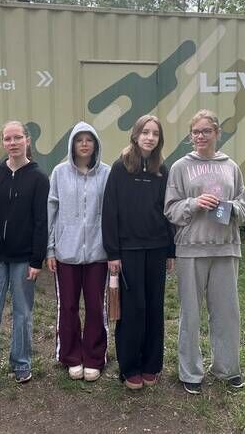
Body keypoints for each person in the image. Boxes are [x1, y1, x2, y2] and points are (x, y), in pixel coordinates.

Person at [164, 109, 245, 395]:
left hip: (225, 249)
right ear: (191, 136)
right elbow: (170, 209)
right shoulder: (180, 167)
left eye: (206, 131)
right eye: (196, 132)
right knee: (190, 314)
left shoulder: (231, 167)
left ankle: (227, 369)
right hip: (191, 249)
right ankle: (190, 371)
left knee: (227, 312)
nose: (200, 136)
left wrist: (229, 208)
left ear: (216, 133)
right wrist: (194, 203)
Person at [0, 121, 50, 395]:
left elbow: (41, 222)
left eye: (17, 137)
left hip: (23, 259)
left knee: (22, 312)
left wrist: (37, 259)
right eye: (7, 138)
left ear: (27, 140)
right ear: (3, 143)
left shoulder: (39, 178)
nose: (13, 143)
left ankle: (21, 363)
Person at [102, 115, 175, 390]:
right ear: (135, 135)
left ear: (159, 139)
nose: (149, 137)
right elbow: (110, 211)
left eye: (155, 133)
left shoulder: (162, 170)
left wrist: (170, 251)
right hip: (128, 250)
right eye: (145, 132)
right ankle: (130, 367)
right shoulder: (120, 168)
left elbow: (168, 212)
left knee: (154, 307)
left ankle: (151, 365)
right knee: (133, 309)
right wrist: (113, 253)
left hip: (157, 249)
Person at [46, 122, 111, 382]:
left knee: (96, 306)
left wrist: (112, 249)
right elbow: (52, 211)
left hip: (98, 253)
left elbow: (112, 212)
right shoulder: (59, 173)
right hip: (66, 253)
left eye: (89, 139)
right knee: (68, 306)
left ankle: (94, 357)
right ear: (72, 144)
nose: (84, 144)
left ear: (96, 144)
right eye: (79, 139)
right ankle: (72, 356)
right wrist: (50, 249)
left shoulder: (106, 174)